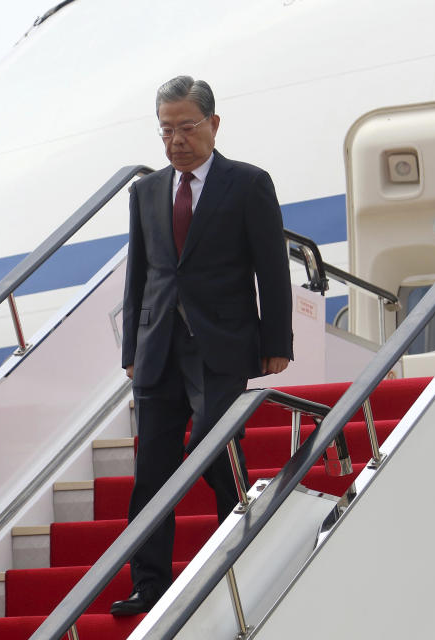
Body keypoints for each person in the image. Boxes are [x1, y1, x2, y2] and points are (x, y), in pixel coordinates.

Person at [111, 76, 293, 616]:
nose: (175, 140)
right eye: (165, 129)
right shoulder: (145, 193)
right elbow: (139, 275)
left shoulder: (248, 183)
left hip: (222, 344)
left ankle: (234, 563)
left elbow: (272, 269)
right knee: (151, 473)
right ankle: (149, 583)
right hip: (157, 344)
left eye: (186, 127)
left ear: (213, 124)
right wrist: (130, 348)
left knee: (215, 455)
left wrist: (276, 340)